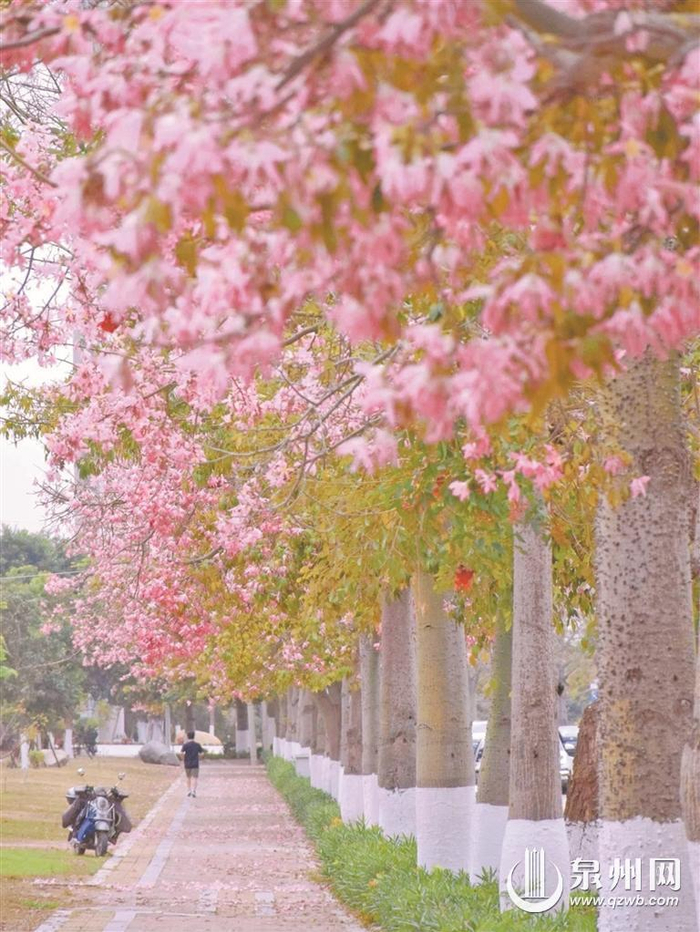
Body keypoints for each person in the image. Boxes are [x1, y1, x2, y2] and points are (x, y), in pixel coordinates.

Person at [180, 731, 204, 797]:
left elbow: (181, 753)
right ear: (194, 736)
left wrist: (183, 759)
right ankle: (194, 791)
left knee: (188, 777)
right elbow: (202, 753)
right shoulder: (197, 745)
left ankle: (188, 790)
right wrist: (199, 758)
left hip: (187, 763)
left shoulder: (185, 745)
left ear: (188, 736)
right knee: (195, 778)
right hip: (195, 763)